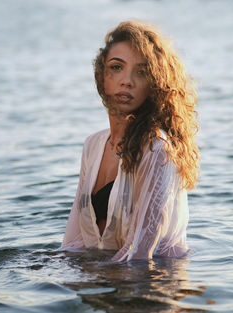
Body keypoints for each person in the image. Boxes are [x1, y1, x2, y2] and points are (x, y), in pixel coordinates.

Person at [60, 20, 199, 262]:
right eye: (117, 67)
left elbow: (139, 253)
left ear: (154, 85)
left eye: (142, 72)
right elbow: (73, 243)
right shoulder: (93, 145)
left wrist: (94, 280)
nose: (127, 81)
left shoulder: (157, 149)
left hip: (151, 285)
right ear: (101, 75)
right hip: (105, 279)